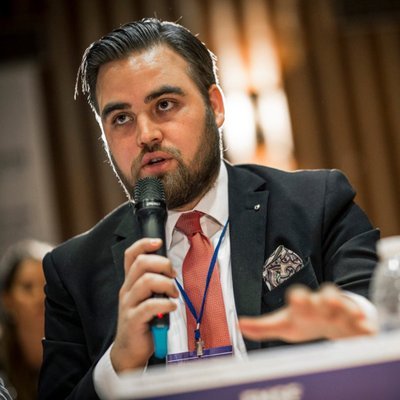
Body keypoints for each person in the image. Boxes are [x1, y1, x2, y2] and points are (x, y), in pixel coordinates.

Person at [38, 18, 379, 399]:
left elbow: (376, 315)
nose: (146, 135)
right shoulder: (73, 271)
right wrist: (117, 366)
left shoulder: (316, 203)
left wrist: (354, 319)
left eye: (164, 105)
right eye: (121, 119)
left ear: (214, 106)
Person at [0, 239, 53, 400]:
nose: (40, 297)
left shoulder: (82, 348)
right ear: (8, 300)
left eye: (48, 285)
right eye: (27, 287)